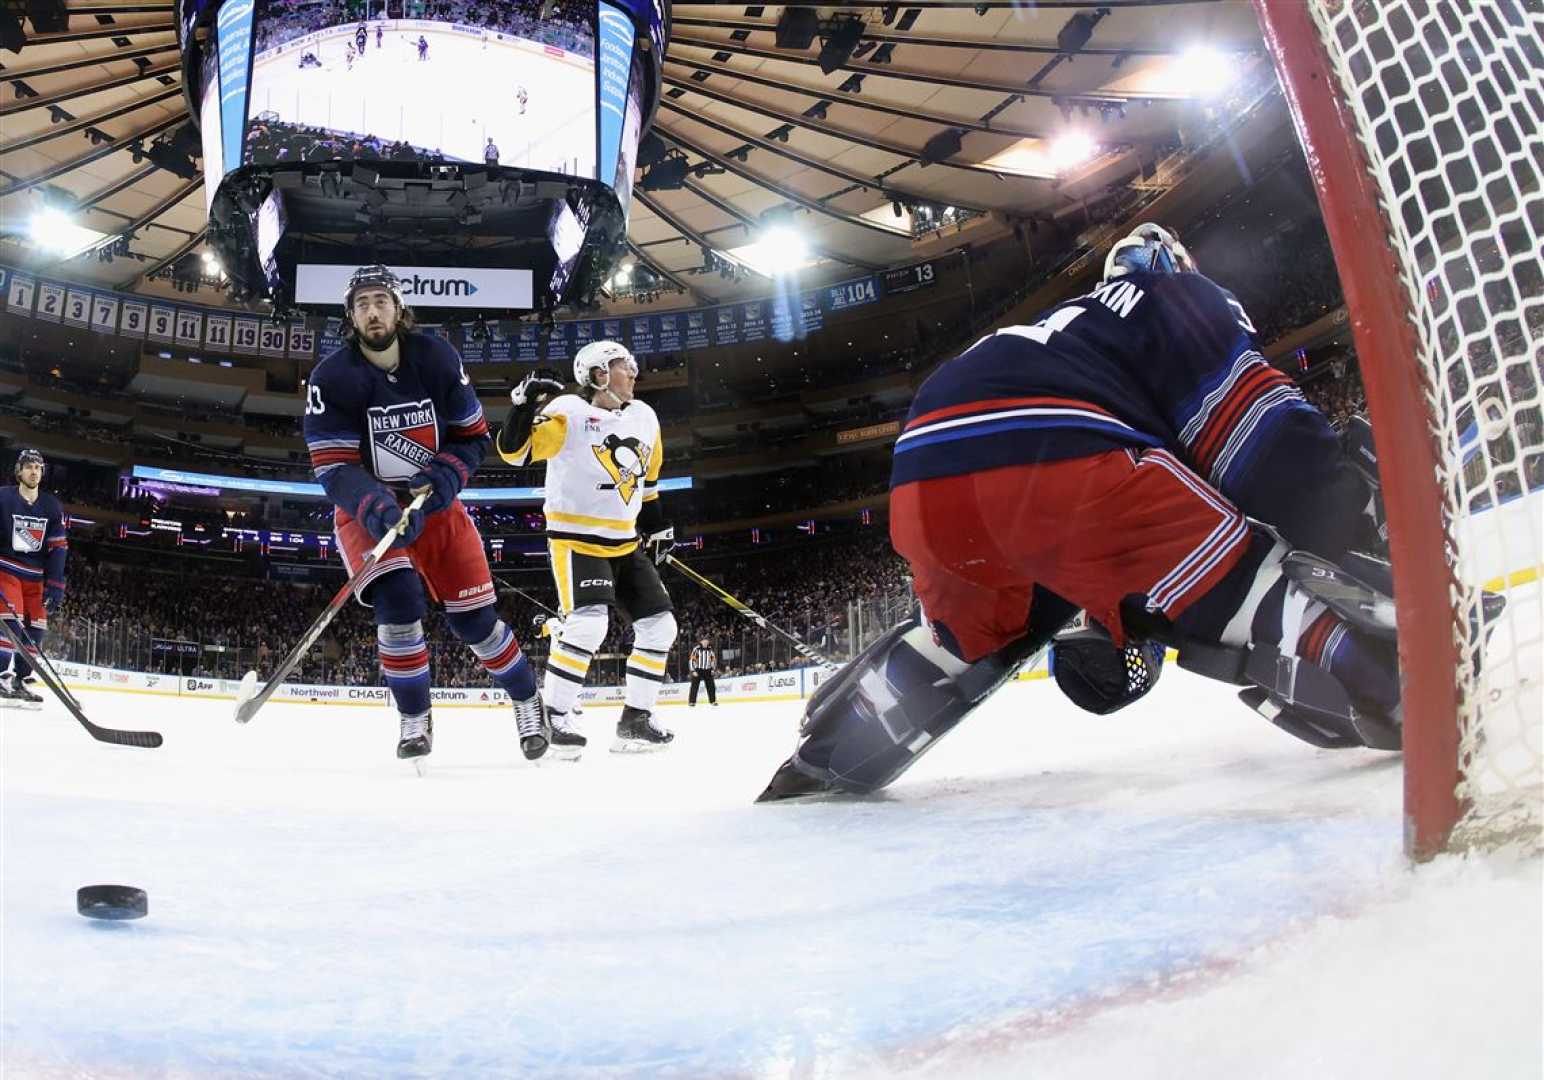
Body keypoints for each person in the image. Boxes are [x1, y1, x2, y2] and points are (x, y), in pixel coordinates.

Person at [759, 224, 1399, 801]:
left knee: (970, 636)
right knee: (1248, 575)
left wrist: (1112, 624)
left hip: (924, 471)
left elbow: (1091, 643)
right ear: (1177, 265)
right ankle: (1402, 685)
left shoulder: (1075, 325)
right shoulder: (1180, 297)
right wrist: (1344, 513)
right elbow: (1256, 428)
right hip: (1050, 450)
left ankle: (828, 752)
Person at [303, 265, 548, 763]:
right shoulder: (331, 377)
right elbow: (333, 467)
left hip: (436, 506)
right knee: (398, 603)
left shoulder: (437, 358)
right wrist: (375, 507)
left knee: (476, 623)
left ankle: (528, 701)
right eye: (362, 304)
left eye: (381, 301)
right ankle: (414, 716)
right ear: (350, 317)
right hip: (368, 509)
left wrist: (444, 480)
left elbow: (473, 438)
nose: (372, 311)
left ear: (398, 308)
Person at [495, 341, 679, 752]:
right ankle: (554, 715)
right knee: (589, 624)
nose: (633, 372)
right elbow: (514, 453)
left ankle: (637, 718)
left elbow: (647, 482)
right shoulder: (569, 412)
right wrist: (523, 406)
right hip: (577, 541)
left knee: (660, 627)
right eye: (622, 366)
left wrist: (657, 528)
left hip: (625, 543)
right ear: (598, 374)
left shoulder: (645, 417)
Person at [0, 449, 65, 708]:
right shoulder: (3, 497)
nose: (33, 471)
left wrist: (56, 583)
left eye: (38, 467)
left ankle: (22, 680)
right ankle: (2, 676)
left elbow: (58, 546)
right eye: (28, 466)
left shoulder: (51, 505)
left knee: (36, 629)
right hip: (6, 570)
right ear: (19, 471)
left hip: (35, 578)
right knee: (11, 625)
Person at [688, 637, 717, 707]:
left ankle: (713, 701)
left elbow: (713, 660)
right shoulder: (696, 649)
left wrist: (713, 669)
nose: (706, 643)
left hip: (708, 670)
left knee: (711, 686)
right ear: (701, 642)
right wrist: (693, 670)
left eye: (707, 641)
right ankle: (692, 702)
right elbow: (692, 660)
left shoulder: (710, 650)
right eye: (704, 641)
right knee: (694, 686)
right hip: (698, 670)